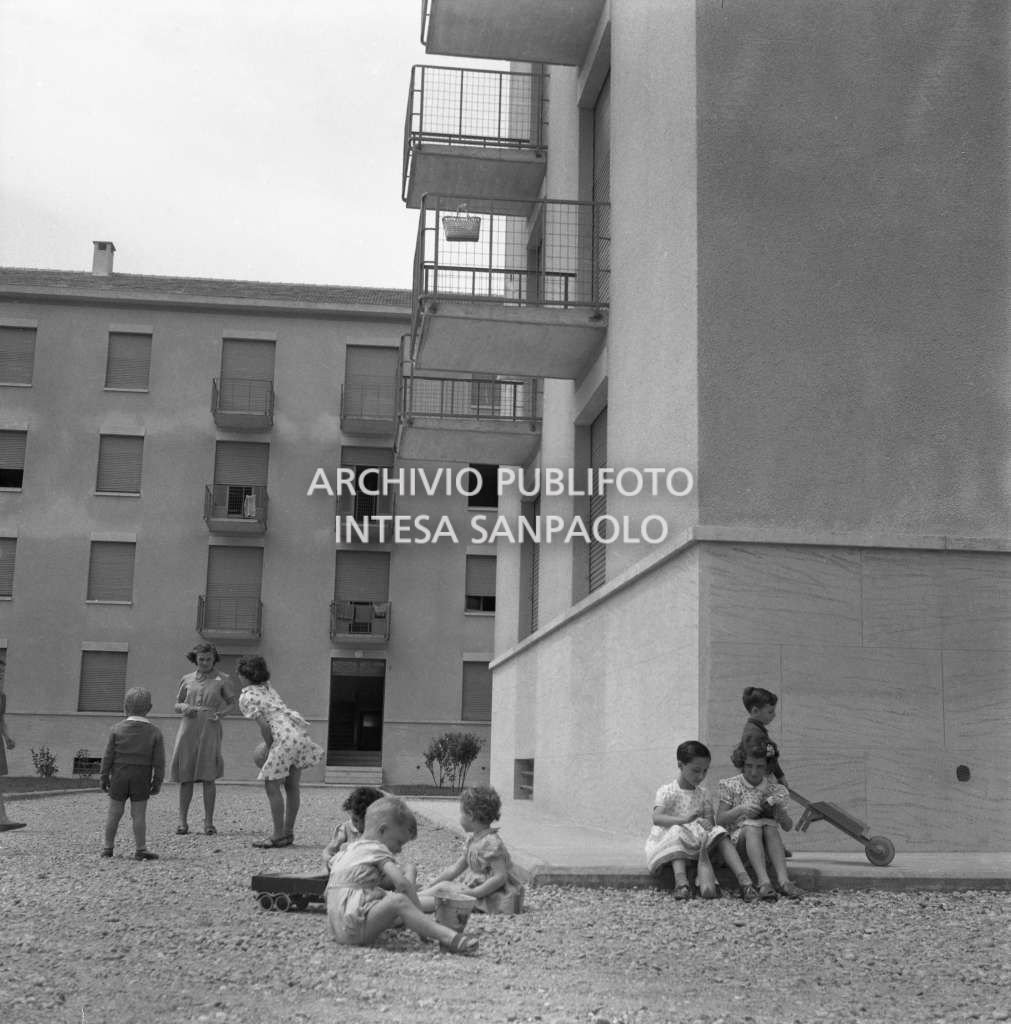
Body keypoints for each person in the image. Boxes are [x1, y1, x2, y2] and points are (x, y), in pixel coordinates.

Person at [326, 795, 478, 955]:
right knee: (398, 901)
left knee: (386, 898)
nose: (399, 850)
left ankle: (411, 920)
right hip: (354, 929)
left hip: (337, 927)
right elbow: (402, 885)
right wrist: (422, 921)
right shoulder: (376, 850)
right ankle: (450, 937)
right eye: (399, 842)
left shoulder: (349, 849)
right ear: (383, 830)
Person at [644, 740, 760, 902]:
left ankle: (745, 882)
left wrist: (708, 824)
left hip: (699, 841)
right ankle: (681, 883)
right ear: (680, 765)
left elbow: (710, 822)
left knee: (720, 832)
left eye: (705, 771)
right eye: (696, 770)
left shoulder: (703, 793)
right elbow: (657, 818)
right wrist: (683, 820)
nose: (701, 776)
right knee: (676, 830)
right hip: (674, 839)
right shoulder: (667, 791)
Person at [237, 653, 323, 848]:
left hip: (282, 738)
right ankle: (288, 833)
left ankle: (277, 835)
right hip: (297, 734)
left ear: (244, 675)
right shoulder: (269, 688)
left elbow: (265, 727)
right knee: (292, 786)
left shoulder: (246, 696)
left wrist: (269, 748)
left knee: (272, 786)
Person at [418, 785, 525, 914]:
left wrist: (475, 893)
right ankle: (414, 897)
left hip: (489, 896)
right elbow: (455, 869)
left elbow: (500, 876)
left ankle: (412, 904)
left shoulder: (491, 843)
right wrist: (433, 884)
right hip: (475, 891)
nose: (460, 817)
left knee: (446, 899)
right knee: (442, 887)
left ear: (471, 815)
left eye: (461, 813)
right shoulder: (473, 840)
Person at [716, 745, 804, 900]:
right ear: (742, 764)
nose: (754, 771)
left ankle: (784, 881)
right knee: (752, 826)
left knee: (770, 826)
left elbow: (788, 826)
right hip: (739, 846)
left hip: (765, 845)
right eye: (749, 766)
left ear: (768, 767)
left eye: (760, 767)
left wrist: (780, 813)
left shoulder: (775, 790)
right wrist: (741, 809)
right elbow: (720, 820)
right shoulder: (731, 785)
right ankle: (764, 882)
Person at [169, 642, 235, 836]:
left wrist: (221, 714)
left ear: (214, 659)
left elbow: (232, 703)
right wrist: (183, 708)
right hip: (188, 726)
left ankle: (209, 823)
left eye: (208, 659)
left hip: (210, 726)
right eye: (201, 659)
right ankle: (182, 822)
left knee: (208, 776)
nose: (205, 663)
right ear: (195, 659)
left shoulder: (223, 679)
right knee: (185, 775)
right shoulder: (187, 679)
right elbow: (177, 703)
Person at [99, 687, 166, 860]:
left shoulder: (116, 729)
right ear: (149, 708)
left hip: (119, 775)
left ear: (125, 706)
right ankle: (141, 849)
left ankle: (108, 847)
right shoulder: (155, 732)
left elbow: (108, 756)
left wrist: (104, 776)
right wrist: (157, 781)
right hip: (141, 776)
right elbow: (159, 761)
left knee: (114, 813)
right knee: (138, 814)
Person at [323, 785, 385, 869]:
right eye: (355, 820)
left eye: (365, 822)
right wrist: (330, 860)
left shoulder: (381, 830)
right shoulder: (345, 829)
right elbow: (328, 851)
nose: (359, 826)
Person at [0, 652, 26, 831]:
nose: (1, 674)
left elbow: (1, 719)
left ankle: (2, 818)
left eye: (3, 671)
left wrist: (7, 736)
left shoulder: (2, 696)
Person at [740, 686, 786, 785]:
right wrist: (779, 776)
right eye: (770, 712)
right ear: (755, 711)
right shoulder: (755, 734)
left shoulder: (757, 730)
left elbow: (771, 756)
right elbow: (769, 758)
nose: (774, 715)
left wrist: (779, 775)